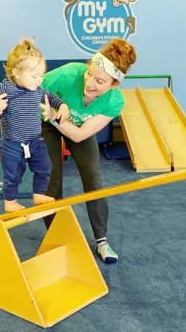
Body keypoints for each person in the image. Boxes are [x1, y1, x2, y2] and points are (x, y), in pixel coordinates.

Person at [41, 38, 136, 264]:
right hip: (44, 122)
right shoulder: (67, 74)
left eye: (100, 81)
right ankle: (57, 237)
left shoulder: (115, 101)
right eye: (89, 74)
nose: (90, 83)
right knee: (51, 178)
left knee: (93, 177)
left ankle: (102, 241)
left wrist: (58, 118)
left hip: (73, 128)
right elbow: (30, 90)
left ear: (113, 84)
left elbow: (80, 135)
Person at [0, 38, 70, 213]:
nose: (39, 80)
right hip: (12, 142)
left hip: (34, 140)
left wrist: (62, 106)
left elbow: (52, 98)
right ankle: (10, 201)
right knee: (13, 174)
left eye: (41, 75)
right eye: (34, 76)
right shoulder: (7, 88)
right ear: (17, 73)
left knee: (45, 167)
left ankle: (39, 194)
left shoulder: (38, 89)